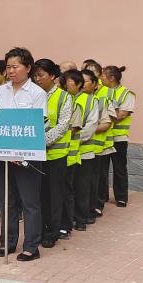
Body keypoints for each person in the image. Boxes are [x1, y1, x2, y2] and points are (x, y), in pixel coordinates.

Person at [0, 47, 47, 262]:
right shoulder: (0, 90)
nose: (11, 71)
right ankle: (7, 241)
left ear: (28, 68)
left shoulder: (37, 93)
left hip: (26, 157)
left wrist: (20, 152)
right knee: (7, 200)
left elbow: (37, 126)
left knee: (30, 202)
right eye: (8, 67)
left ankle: (32, 246)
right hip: (2, 155)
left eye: (15, 67)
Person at [33, 59, 72, 249]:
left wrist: (42, 141)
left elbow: (63, 125)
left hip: (55, 154)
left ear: (53, 76)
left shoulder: (64, 97)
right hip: (36, 155)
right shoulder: (33, 94)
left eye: (41, 75)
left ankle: (52, 232)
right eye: (35, 75)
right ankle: (39, 230)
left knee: (54, 196)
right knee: (38, 196)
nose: (37, 79)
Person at [73, 69, 105, 230]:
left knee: (83, 187)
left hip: (85, 151)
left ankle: (82, 218)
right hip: (68, 153)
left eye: (85, 81)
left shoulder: (92, 101)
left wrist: (73, 139)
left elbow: (91, 127)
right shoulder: (68, 98)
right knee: (71, 187)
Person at [85, 60, 116, 217]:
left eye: (93, 73)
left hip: (101, 143)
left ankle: (98, 203)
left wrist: (88, 130)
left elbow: (109, 120)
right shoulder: (79, 96)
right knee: (87, 180)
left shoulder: (106, 94)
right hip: (83, 146)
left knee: (99, 177)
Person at [104, 65, 135, 207]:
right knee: (102, 170)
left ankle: (121, 197)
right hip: (104, 137)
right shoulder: (102, 92)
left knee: (119, 168)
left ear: (111, 78)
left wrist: (103, 118)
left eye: (103, 76)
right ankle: (102, 196)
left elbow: (121, 114)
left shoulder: (126, 94)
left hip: (118, 138)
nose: (100, 79)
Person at [59, 69, 85, 239]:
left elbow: (73, 128)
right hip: (54, 155)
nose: (65, 85)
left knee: (66, 191)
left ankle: (66, 225)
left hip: (69, 155)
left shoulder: (75, 104)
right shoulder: (56, 100)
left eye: (69, 82)